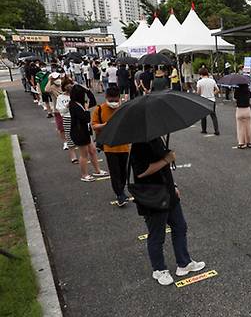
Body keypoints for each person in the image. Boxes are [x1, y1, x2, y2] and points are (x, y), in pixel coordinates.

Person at [130, 136, 206, 285]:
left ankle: (184, 263)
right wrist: (167, 159)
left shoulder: (156, 138)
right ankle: (159, 269)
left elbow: (164, 170)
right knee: (157, 235)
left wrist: (174, 185)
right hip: (153, 196)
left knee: (180, 226)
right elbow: (141, 172)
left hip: (168, 192)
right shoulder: (139, 144)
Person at [91, 86, 131, 206]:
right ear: (106, 98)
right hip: (109, 146)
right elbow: (94, 126)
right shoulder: (99, 109)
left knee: (123, 171)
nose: (113, 102)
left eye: (115, 100)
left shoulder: (124, 108)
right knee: (114, 172)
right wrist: (106, 125)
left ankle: (121, 189)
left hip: (124, 145)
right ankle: (119, 194)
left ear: (119, 98)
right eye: (111, 100)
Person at [68, 85, 107, 182]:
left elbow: (93, 101)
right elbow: (85, 118)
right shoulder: (73, 105)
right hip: (79, 132)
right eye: (83, 93)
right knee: (84, 154)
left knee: (93, 150)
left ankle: (97, 171)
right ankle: (84, 175)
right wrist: (86, 110)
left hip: (86, 131)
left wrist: (88, 90)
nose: (84, 96)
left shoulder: (81, 103)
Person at [56, 77, 80, 164]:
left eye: (70, 84)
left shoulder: (77, 95)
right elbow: (61, 111)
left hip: (77, 118)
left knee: (80, 135)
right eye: (66, 85)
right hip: (67, 118)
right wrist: (67, 106)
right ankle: (73, 156)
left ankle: (82, 154)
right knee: (69, 137)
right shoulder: (60, 97)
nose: (69, 87)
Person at [45, 72, 69, 153]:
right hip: (57, 110)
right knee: (61, 128)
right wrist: (50, 80)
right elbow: (46, 90)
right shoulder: (52, 87)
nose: (57, 80)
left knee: (71, 125)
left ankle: (71, 140)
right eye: (54, 78)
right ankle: (65, 142)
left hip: (68, 110)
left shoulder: (64, 85)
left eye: (57, 77)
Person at [195, 68, 220, 135]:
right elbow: (217, 90)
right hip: (212, 100)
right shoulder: (212, 81)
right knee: (213, 116)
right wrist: (212, 93)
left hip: (203, 100)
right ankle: (216, 130)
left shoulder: (199, 82)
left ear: (201, 74)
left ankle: (204, 130)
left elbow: (198, 92)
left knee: (203, 116)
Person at [234, 83, 251, 148]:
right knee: (248, 126)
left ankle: (242, 143)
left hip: (239, 109)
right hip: (247, 109)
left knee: (240, 127)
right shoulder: (248, 91)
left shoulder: (237, 90)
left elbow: (235, 100)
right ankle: (249, 142)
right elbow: (250, 101)